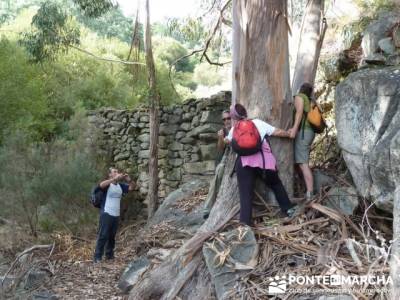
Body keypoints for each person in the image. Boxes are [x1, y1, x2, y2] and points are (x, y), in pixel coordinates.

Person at [225, 104, 297, 226]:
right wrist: (289, 133)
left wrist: (224, 138)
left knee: (245, 195)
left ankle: (245, 226)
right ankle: (288, 209)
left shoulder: (234, 129)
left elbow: (228, 141)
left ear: (234, 117)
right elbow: (277, 132)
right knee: (275, 184)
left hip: (244, 164)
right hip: (264, 162)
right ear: (245, 113)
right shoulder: (258, 123)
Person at [94, 167, 135, 263]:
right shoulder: (108, 184)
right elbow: (100, 185)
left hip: (116, 214)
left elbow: (132, 187)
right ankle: (97, 257)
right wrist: (114, 179)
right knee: (103, 235)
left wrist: (129, 180)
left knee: (112, 236)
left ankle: (109, 255)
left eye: (117, 171)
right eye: (114, 172)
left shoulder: (120, 186)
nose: (117, 173)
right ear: (110, 175)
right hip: (106, 213)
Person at [203, 110, 232, 219]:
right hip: (227, 157)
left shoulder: (238, 127)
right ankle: (207, 209)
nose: (227, 121)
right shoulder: (223, 131)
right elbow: (220, 148)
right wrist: (220, 138)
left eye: (228, 118)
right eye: (224, 119)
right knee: (219, 173)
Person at [289, 83, 315, 201]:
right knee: (299, 162)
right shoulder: (310, 100)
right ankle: (303, 188)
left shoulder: (300, 97)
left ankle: (310, 194)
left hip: (303, 132)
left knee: (303, 163)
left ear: (300, 89)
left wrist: (294, 129)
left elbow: (299, 112)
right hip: (309, 133)